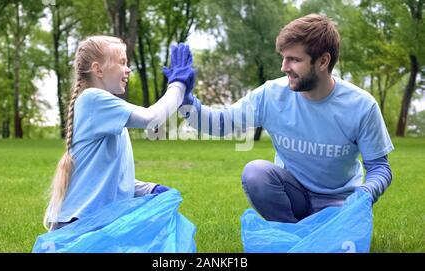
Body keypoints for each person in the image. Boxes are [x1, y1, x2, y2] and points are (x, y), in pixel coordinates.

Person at [181, 14, 393, 223]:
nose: (284, 67)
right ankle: (290, 231)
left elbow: (379, 168)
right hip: (293, 196)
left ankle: (318, 232)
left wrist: (365, 194)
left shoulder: (362, 106)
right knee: (256, 172)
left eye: (294, 59)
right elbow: (220, 124)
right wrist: (185, 99)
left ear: (323, 61)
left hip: (339, 202)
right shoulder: (271, 94)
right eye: (284, 57)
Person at [43, 36, 195, 230]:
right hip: (78, 227)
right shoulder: (93, 98)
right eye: (122, 62)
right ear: (98, 69)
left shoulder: (106, 113)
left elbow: (107, 179)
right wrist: (177, 85)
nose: (128, 69)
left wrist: (148, 189)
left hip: (88, 225)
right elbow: (151, 118)